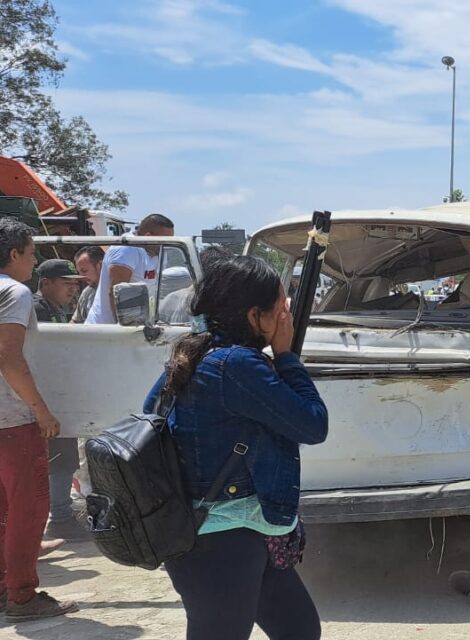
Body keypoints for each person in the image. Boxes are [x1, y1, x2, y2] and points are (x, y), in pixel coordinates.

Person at [143, 255, 328, 640]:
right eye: (279, 308)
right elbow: (313, 423)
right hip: (220, 538)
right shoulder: (235, 365)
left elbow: (151, 414)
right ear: (253, 316)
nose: (285, 317)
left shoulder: (198, 353)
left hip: (237, 528)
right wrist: (287, 355)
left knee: (299, 629)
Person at [0, 218, 79, 622]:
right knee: (29, 509)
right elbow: (9, 357)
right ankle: (23, 596)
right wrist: (40, 410)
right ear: (14, 254)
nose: (33, 263)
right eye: (31, 254)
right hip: (12, 420)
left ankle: (4, 588)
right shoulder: (14, 293)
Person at [30, 260, 92, 541]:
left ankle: (59, 514)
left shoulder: (54, 310)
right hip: (42, 398)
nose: (73, 287)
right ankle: (60, 517)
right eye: (66, 282)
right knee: (58, 457)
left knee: (63, 456)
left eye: (75, 282)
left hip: (54, 395)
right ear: (45, 284)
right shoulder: (37, 309)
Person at [84, 214, 175, 325]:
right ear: (148, 237)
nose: (168, 244)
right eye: (165, 240)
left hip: (138, 326)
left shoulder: (160, 252)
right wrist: (124, 329)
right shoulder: (126, 248)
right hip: (106, 328)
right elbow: (116, 293)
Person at [32, 260, 86, 324]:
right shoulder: (36, 309)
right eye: (67, 283)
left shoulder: (56, 307)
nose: (73, 289)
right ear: (46, 283)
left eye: (75, 284)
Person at [71, 246, 104, 324]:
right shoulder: (87, 292)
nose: (82, 276)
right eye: (79, 272)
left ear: (100, 265)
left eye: (84, 271)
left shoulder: (116, 291)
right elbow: (75, 322)